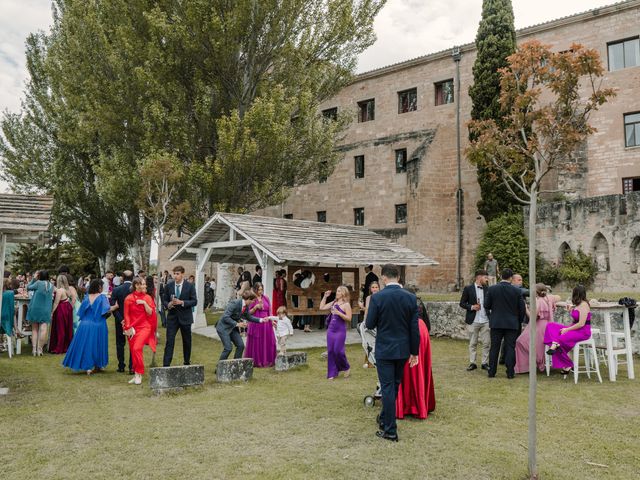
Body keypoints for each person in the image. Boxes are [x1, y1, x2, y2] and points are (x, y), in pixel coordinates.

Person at [365, 264, 419, 442]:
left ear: (384, 278)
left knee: (388, 388)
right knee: (393, 386)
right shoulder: (410, 298)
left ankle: (390, 430)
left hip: (385, 348)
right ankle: (383, 419)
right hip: (403, 349)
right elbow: (414, 328)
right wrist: (414, 352)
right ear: (398, 276)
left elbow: (370, 324)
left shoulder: (377, 298)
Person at [62, 279, 113, 374]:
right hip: (98, 324)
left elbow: (81, 312)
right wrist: (116, 307)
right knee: (97, 344)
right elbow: (107, 310)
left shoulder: (86, 297)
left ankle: (89, 366)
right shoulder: (102, 297)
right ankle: (97, 365)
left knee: (85, 345)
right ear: (99, 287)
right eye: (101, 286)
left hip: (85, 324)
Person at [484, 268, 526, 379]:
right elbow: (522, 309)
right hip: (512, 323)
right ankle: (510, 373)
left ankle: (492, 372)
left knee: (494, 347)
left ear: (501, 276)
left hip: (496, 322)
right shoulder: (517, 291)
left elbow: (486, 305)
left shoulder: (492, 289)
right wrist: (519, 321)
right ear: (511, 278)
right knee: (510, 348)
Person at [544, 285, 592, 375]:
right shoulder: (578, 304)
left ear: (576, 294)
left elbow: (581, 323)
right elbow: (575, 320)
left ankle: (567, 363)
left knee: (561, 337)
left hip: (583, 331)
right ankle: (555, 343)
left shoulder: (584, 305)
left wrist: (567, 329)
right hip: (574, 328)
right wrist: (570, 311)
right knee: (551, 326)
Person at [396, 317, 436, 420]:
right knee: (417, 369)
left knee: (408, 368)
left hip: (408, 328)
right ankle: (418, 405)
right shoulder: (416, 303)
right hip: (420, 328)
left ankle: (409, 406)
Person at [515, 284, 561, 374]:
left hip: (538, 326)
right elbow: (558, 297)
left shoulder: (538, 301)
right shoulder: (548, 299)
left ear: (536, 292)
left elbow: (533, 318)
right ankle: (535, 361)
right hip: (547, 325)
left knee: (520, 342)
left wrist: (526, 309)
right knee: (531, 344)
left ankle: (528, 365)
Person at [216, 290, 269, 361]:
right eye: (253, 300)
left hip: (233, 328)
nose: (253, 302)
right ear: (248, 299)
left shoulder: (246, 306)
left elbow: (249, 317)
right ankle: (219, 368)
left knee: (240, 346)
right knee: (228, 348)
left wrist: (262, 320)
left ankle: (235, 366)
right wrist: (237, 324)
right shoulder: (235, 303)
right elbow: (225, 316)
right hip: (223, 328)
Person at [123, 277, 157, 385]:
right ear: (136, 285)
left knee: (137, 348)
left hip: (145, 327)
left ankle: (139, 372)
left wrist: (144, 303)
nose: (145, 286)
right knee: (133, 350)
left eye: (144, 284)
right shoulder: (128, 298)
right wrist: (128, 327)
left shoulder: (147, 298)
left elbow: (151, 313)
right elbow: (127, 314)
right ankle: (136, 374)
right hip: (132, 328)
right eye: (142, 284)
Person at [162, 265, 197, 367]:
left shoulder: (189, 286)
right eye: (174, 274)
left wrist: (182, 302)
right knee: (170, 341)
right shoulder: (169, 286)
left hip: (185, 318)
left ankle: (186, 362)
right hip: (172, 318)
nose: (175, 276)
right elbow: (164, 300)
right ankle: (166, 364)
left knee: (187, 341)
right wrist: (168, 304)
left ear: (182, 274)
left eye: (177, 274)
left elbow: (194, 301)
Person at [459, 270, 490, 372]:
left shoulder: (488, 289)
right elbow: (462, 303)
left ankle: (484, 363)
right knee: (473, 343)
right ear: (479, 277)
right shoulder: (468, 288)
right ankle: (473, 363)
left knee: (486, 343)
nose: (487, 279)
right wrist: (472, 307)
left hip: (486, 320)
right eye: (485, 277)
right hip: (473, 320)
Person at [320, 286, 352, 380]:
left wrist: (339, 313)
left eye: (338, 291)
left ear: (343, 293)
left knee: (338, 351)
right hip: (331, 330)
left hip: (340, 330)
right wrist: (325, 297)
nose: (336, 292)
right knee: (330, 351)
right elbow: (322, 307)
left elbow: (349, 318)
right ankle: (332, 373)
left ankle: (346, 367)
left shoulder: (346, 305)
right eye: (337, 290)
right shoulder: (334, 302)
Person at [244, 282, 277, 367]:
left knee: (267, 342)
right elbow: (248, 314)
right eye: (259, 290)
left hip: (266, 324)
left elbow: (269, 311)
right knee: (257, 342)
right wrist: (255, 308)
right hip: (256, 323)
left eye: (261, 289)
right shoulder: (252, 299)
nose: (260, 291)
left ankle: (267, 360)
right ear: (255, 289)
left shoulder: (266, 298)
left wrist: (272, 320)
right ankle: (257, 361)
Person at [111, 270, 134, 373]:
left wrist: (121, 320)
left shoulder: (116, 290)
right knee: (132, 343)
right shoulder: (135, 290)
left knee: (120, 343)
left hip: (120, 320)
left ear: (122, 278)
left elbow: (113, 307)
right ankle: (132, 367)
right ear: (132, 278)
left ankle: (121, 366)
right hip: (133, 321)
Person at [26, 270, 54, 356]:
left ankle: (34, 349)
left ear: (40, 276)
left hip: (36, 308)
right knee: (44, 329)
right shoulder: (51, 285)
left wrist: (34, 279)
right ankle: (40, 349)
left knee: (35, 329)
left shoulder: (38, 283)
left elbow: (28, 287)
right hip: (46, 309)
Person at [49, 275, 76, 354]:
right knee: (67, 327)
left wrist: (52, 312)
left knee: (60, 328)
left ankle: (59, 347)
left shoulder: (60, 290)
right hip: (67, 307)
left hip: (61, 308)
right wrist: (71, 306)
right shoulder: (68, 289)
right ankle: (67, 345)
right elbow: (73, 298)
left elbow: (56, 303)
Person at [358, 281, 380, 368]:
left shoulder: (381, 297)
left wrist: (362, 307)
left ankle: (374, 361)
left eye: (376, 287)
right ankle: (368, 361)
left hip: (378, 322)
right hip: (369, 321)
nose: (374, 289)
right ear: (370, 289)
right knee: (367, 341)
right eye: (373, 287)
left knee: (376, 342)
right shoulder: (368, 298)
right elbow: (367, 311)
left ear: (379, 288)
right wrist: (364, 321)